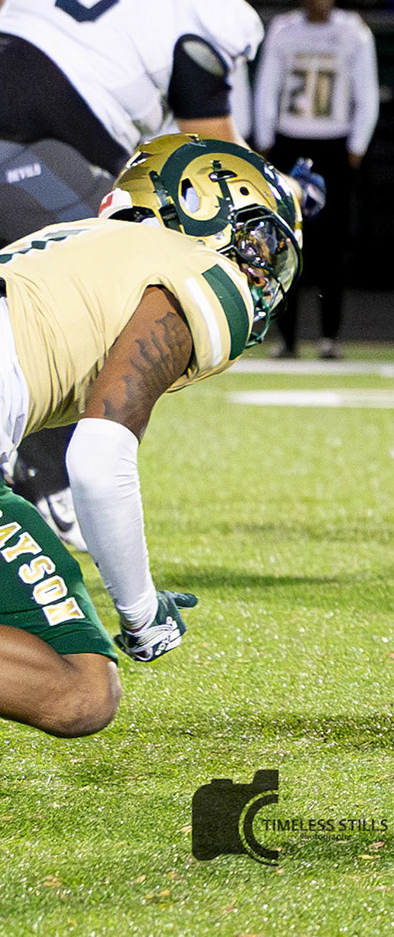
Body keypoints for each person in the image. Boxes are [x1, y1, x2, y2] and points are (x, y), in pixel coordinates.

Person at [0, 0, 268, 549]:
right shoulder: (200, 2)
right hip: (29, 159)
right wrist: (279, 192)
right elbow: (215, 161)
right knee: (129, 294)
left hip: (26, 151)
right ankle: (50, 477)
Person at [0, 134, 305, 737]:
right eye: (256, 240)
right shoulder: (197, 270)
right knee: (81, 688)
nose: (261, 269)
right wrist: (141, 612)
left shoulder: (77, 241)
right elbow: (98, 457)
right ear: (202, 211)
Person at [253, 0, 378, 361]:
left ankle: (329, 336)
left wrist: (357, 144)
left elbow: (366, 91)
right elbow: (267, 85)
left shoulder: (353, 32)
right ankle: (287, 338)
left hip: (334, 143)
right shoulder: (284, 30)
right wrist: (266, 136)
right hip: (290, 141)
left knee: (332, 244)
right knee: (285, 240)